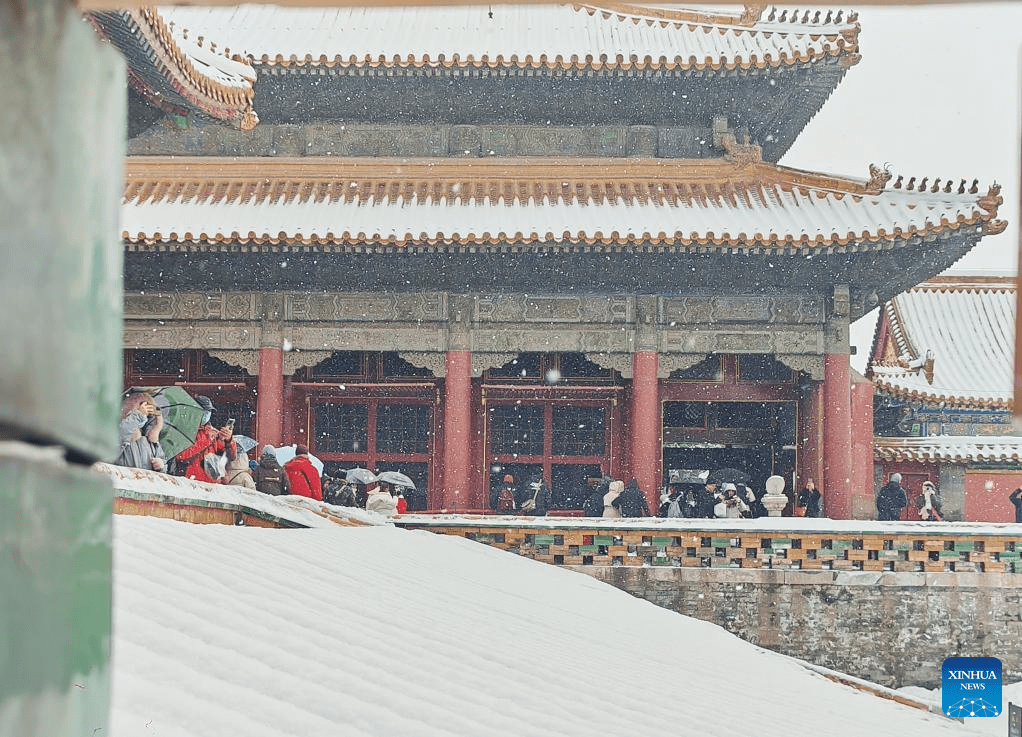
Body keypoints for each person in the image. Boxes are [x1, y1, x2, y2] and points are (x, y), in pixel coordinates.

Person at [175, 396, 237, 484]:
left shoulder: (214, 433)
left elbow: (231, 456)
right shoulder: (185, 431)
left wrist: (229, 440)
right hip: (190, 482)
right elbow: (181, 456)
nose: (207, 414)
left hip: (212, 484)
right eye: (204, 411)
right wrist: (206, 441)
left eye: (209, 411)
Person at [115, 392, 167, 472]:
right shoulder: (118, 435)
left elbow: (163, 466)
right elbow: (122, 434)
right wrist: (138, 415)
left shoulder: (150, 442)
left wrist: (161, 466)